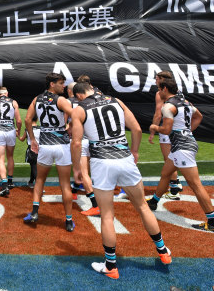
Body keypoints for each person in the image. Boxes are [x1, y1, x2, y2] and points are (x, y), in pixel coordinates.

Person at [71, 82, 171, 279]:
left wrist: (77, 168)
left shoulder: (80, 109)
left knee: (107, 216)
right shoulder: (116, 101)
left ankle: (111, 266)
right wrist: (134, 151)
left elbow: (76, 142)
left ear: (80, 95)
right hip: (124, 158)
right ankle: (163, 251)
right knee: (142, 206)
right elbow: (135, 128)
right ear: (92, 88)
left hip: (102, 163)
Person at [147, 78, 214, 231]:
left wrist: (155, 127)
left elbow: (166, 130)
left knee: (195, 185)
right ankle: (154, 201)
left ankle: (212, 220)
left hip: (182, 148)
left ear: (164, 89)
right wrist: (187, 132)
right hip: (184, 145)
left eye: (159, 89)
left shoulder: (168, 107)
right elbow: (199, 116)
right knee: (166, 174)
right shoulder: (186, 103)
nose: (158, 92)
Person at [24, 73, 74, 231]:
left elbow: (27, 120)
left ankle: (34, 213)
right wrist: (69, 128)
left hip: (45, 145)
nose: (63, 86)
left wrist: (32, 139)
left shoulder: (36, 99)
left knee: (39, 180)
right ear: (52, 84)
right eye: (61, 83)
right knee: (65, 185)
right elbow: (76, 115)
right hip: (61, 145)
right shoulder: (61, 100)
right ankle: (68, 221)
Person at [148, 71, 184, 200]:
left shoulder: (160, 93)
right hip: (179, 128)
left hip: (168, 128)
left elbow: (158, 114)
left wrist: (153, 131)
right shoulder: (178, 91)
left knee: (169, 158)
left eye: (157, 78)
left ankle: (174, 188)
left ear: (162, 79)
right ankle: (175, 184)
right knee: (173, 157)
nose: (155, 81)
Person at [67, 81, 100, 216]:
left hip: (81, 140)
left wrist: (69, 128)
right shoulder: (97, 101)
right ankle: (75, 190)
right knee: (94, 171)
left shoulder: (72, 103)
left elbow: (69, 122)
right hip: (95, 140)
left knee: (83, 172)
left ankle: (95, 205)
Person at [0, 87, 21, 196]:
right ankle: (10, 181)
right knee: (10, 156)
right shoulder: (13, 102)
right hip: (10, 131)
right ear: (7, 93)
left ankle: (4, 185)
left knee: (0, 159)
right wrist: (18, 131)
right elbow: (18, 120)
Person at [19, 121, 39, 189]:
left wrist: (17, 134)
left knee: (34, 167)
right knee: (35, 167)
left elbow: (22, 139)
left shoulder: (28, 129)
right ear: (37, 119)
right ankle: (31, 182)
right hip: (41, 149)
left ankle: (38, 186)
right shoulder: (41, 128)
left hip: (32, 149)